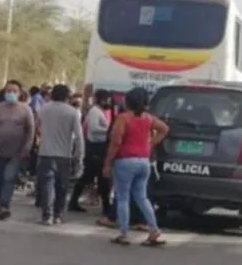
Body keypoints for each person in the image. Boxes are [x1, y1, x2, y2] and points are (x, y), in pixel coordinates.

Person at [103, 88, 168, 246]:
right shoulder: (147, 118)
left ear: (128, 102)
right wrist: (150, 144)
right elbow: (164, 128)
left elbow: (116, 142)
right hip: (143, 161)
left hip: (125, 161)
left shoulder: (123, 118)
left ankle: (124, 233)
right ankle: (154, 230)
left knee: (123, 197)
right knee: (142, 197)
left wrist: (107, 162)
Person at [0, 80, 35, 220]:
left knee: (9, 178)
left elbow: (31, 130)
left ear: (19, 93)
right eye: (8, 91)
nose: (11, 93)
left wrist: (27, 147)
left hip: (16, 152)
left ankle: (5, 206)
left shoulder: (25, 110)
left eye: (14, 91)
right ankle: (0, 206)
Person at [37, 84, 84, 225]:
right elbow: (79, 136)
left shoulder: (44, 109)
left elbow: (38, 127)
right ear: (67, 96)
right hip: (64, 155)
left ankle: (47, 216)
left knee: (47, 186)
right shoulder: (72, 112)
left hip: (45, 153)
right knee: (62, 187)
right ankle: (58, 215)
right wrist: (79, 156)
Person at [69, 89, 112, 214]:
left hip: (99, 148)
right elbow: (93, 129)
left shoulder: (99, 111)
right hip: (95, 148)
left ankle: (104, 205)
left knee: (93, 178)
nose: (108, 102)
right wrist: (108, 130)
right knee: (95, 178)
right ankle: (105, 206)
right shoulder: (95, 112)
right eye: (106, 100)